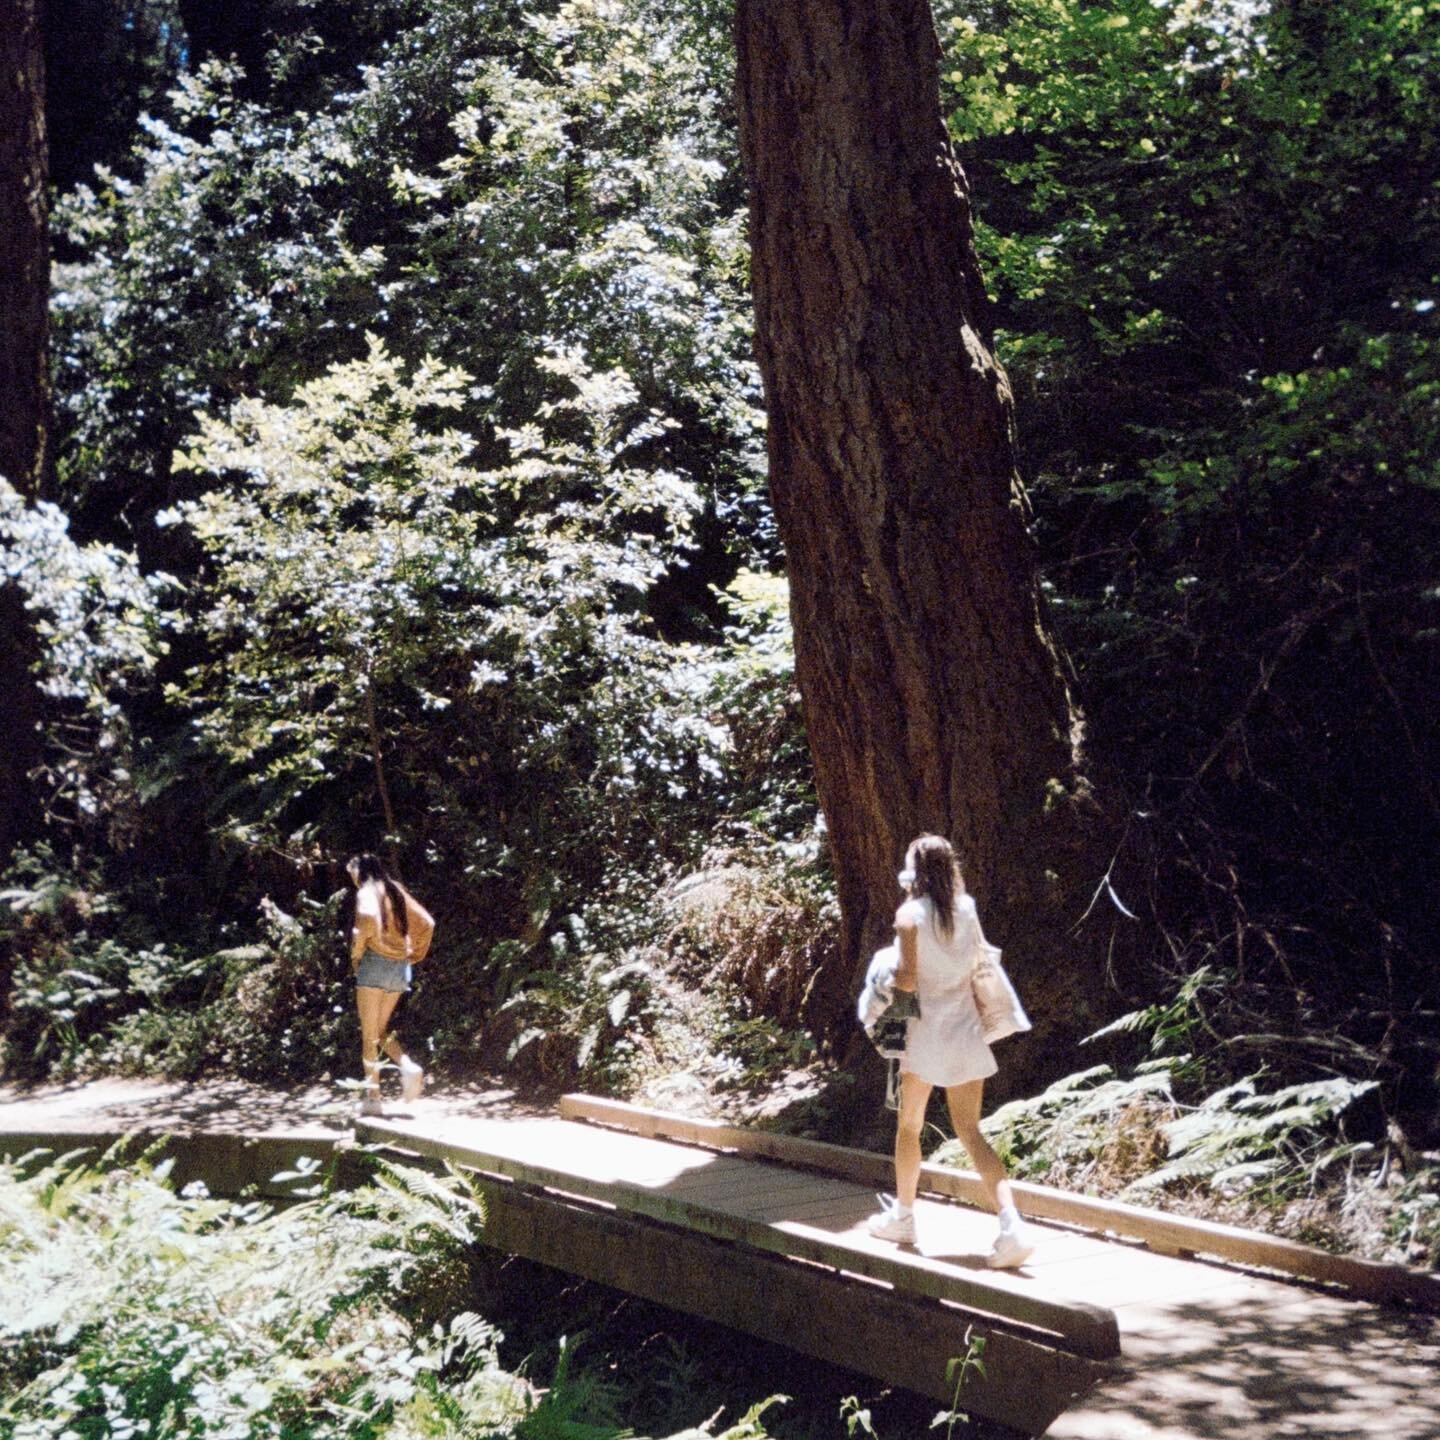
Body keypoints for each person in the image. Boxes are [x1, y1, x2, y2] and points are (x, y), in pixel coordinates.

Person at [866, 834, 1036, 1268]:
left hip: (924, 1036)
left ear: (913, 871)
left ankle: (904, 1217)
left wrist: (881, 988)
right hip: (964, 1030)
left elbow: (905, 981)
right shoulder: (968, 909)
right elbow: (977, 963)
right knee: (971, 1131)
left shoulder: (909, 916)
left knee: (909, 1127)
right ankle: (1011, 1225)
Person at [346, 853, 433, 1116]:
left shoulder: (367, 891)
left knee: (368, 1036)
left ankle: (373, 1099)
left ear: (359, 871)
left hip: (374, 965)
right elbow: (428, 923)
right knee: (380, 1030)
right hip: (399, 968)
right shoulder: (396, 889)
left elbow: (366, 919)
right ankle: (408, 1067)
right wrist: (416, 953)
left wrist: (356, 953)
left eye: (352, 873)